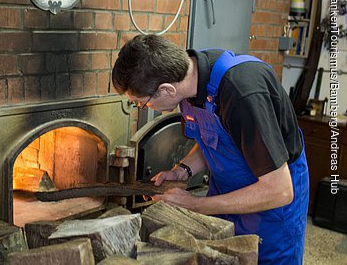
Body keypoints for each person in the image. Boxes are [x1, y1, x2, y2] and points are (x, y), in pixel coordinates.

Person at [111, 34, 309, 264]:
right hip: (226, 193)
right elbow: (212, 140)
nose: (139, 108)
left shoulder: (242, 94)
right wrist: (181, 171)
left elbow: (280, 190)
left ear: (166, 90)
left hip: (271, 207)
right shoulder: (189, 81)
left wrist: (195, 205)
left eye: (140, 103)